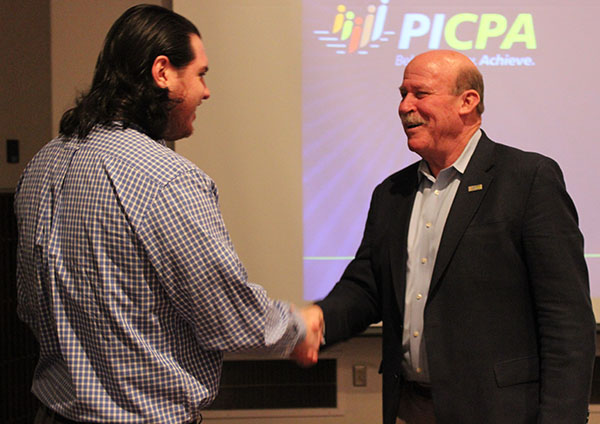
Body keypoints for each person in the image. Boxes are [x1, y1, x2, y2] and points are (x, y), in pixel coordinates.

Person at [14, 5, 321, 424]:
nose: (206, 91)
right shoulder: (167, 179)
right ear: (163, 72)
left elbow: (30, 307)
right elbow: (225, 315)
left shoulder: (42, 165)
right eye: (200, 74)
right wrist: (297, 327)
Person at [301, 50, 596, 423]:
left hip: (500, 412)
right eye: (402, 94)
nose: (404, 106)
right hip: (410, 408)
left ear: (467, 102)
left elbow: (566, 320)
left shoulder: (528, 179)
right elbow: (368, 288)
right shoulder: (391, 193)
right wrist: (316, 321)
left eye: (419, 94)